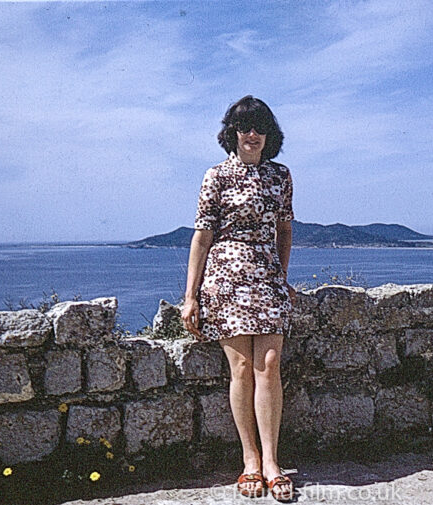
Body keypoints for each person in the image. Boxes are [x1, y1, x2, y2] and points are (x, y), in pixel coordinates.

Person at [181, 95, 296, 501]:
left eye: (260, 126)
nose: (252, 134)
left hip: (266, 278)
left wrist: (282, 279)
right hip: (226, 278)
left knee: (270, 364)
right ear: (232, 133)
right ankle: (250, 460)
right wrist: (190, 296)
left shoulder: (280, 176)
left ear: (270, 134)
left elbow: (284, 231)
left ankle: (272, 462)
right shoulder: (216, 176)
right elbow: (202, 236)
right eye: (245, 126)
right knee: (243, 368)